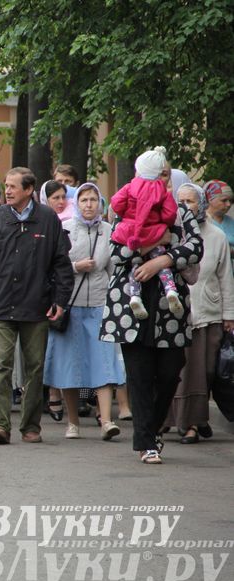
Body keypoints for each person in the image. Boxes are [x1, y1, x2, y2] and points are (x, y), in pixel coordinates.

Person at [100, 171, 203, 464]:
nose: (160, 184)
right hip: (130, 306)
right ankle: (146, 443)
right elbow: (117, 252)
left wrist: (163, 260)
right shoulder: (126, 208)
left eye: (165, 179)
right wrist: (159, 239)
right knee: (140, 375)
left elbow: (196, 247)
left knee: (171, 371)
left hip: (170, 306)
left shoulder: (180, 212)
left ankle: (153, 427)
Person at [0, 167, 74, 445]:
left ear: (29, 190)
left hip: (37, 305)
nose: (7, 191)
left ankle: (31, 426)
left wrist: (60, 301)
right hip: (1, 304)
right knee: (1, 364)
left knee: (35, 368)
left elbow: (62, 264)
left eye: (13, 186)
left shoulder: (48, 219)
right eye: (6, 186)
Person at [42, 183, 126, 440]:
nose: (89, 204)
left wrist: (115, 301)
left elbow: (114, 270)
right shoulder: (65, 228)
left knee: (104, 362)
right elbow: (53, 266)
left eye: (93, 199)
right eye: (84, 200)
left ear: (100, 203)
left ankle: (107, 421)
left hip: (100, 304)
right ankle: (73, 422)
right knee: (70, 365)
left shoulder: (108, 230)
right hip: (70, 305)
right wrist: (76, 266)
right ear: (75, 204)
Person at [165, 183, 234, 444]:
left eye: (190, 201)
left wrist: (229, 315)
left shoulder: (216, 236)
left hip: (208, 313)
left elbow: (225, 277)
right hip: (176, 314)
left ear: (201, 203)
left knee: (204, 373)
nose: (185, 206)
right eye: (180, 201)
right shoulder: (170, 232)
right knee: (180, 372)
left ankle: (197, 419)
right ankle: (185, 423)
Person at [110, 147, 182, 320]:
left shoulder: (129, 187)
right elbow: (169, 214)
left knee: (135, 263)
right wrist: (162, 223)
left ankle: (135, 296)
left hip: (130, 233)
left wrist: (127, 213)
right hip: (154, 233)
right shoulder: (162, 191)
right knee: (162, 263)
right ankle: (171, 290)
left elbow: (116, 203)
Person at [203, 179, 234, 265]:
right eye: (224, 200)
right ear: (210, 199)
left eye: (231, 201)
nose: (228, 204)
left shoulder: (231, 222)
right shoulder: (202, 222)